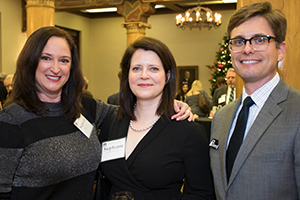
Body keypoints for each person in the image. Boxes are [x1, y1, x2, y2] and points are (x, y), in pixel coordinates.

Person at [0, 27, 192, 200]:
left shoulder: (85, 108)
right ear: (30, 60)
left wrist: (168, 102)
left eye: (64, 60)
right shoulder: (12, 120)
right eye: (46, 58)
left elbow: (134, 110)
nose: (56, 68)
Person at [100, 37, 215, 199]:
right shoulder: (111, 121)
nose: (144, 75)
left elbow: (203, 195)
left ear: (167, 76)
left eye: (153, 69)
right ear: (127, 75)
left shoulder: (188, 131)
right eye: (136, 68)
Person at [209, 2, 300, 200]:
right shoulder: (221, 117)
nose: (247, 49)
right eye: (239, 41)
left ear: (281, 50)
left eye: (259, 40)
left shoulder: (297, 111)